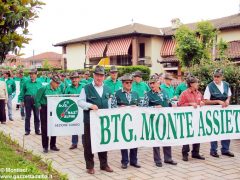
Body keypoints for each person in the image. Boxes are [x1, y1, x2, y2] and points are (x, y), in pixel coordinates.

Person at [78, 65, 113, 174]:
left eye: (101, 76)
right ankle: (90, 166)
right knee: (89, 143)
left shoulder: (107, 88)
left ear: (104, 77)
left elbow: (110, 104)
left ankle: (104, 164)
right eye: (97, 75)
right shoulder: (86, 88)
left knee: (103, 142)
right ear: (94, 75)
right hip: (90, 121)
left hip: (103, 121)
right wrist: (90, 105)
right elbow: (80, 102)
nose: (99, 78)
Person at [146, 75, 177, 167]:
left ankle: (168, 158)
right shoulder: (147, 94)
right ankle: (157, 160)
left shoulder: (164, 92)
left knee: (167, 137)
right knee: (156, 139)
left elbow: (168, 102)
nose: (151, 85)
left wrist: (172, 104)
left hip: (166, 119)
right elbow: (143, 108)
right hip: (154, 121)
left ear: (158, 83)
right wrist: (154, 107)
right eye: (150, 83)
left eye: (153, 83)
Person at [203, 69, 234, 158]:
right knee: (215, 130)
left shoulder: (226, 85)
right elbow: (206, 101)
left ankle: (225, 150)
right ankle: (213, 150)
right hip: (214, 112)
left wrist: (227, 100)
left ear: (221, 77)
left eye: (218, 77)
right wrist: (218, 101)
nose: (216, 78)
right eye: (215, 76)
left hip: (225, 112)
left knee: (226, 129)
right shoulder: (209, 86)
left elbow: (229, 95)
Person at [114, 73, 141, 169]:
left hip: (134, 121)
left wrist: (136, 107)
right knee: (124, 140)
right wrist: (119, 107)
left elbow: (141, 107)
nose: (129, 84)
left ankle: (134, 161)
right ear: (122, 83)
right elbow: (112, 107)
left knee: (134, 139)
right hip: (122, 121)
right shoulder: (117, 93)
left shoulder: (136, 94)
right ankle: (125, 161)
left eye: (130, 82)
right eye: (126, 82)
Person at [178, 75, 205, 161]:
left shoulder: (198, 93)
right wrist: (190, 104)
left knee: (197, 134)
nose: (198, 84)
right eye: (196, 82)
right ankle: (185, 153)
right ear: (191, 84)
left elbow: (203, 100)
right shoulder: (184, 93)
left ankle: (195, 153)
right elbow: (180, 105)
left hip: (197, 118)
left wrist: (202, 102)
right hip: (187, 119)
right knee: (187, 135)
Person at [35, 75, 62, 153]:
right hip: (45, 108)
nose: (58, 85)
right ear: (52, 82)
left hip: (54, 109)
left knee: (54, 127)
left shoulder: (58, 89)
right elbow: (37, 98)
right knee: (45, 128)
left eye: (59, 83)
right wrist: (39, 106)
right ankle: (45, 146)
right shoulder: (44, 88)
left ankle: (53, 145)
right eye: (57, 83)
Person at [19, 69, 42, 135]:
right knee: (27, 116)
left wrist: (40, 102)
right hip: (28, 99)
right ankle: (27, 130)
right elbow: (22, 91)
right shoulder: (26, 82)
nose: (31, 75)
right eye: (30, 74)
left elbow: (41, 93)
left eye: (32, 74)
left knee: (37, 115)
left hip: (36, 100)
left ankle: (37, 130)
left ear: (36, 74)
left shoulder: (39, 83)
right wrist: (22, 100)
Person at [64, 72, 84, 150]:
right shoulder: (68, 88)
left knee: (83, 126)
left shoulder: (83, 87)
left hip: (82, 109)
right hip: (73, 109)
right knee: (74, 125)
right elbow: (64, 98)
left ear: (78, 79)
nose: (74, 80)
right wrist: (69, 96)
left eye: (75, 78)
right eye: (72, 78)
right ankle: (74, 143)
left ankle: (84, 143)